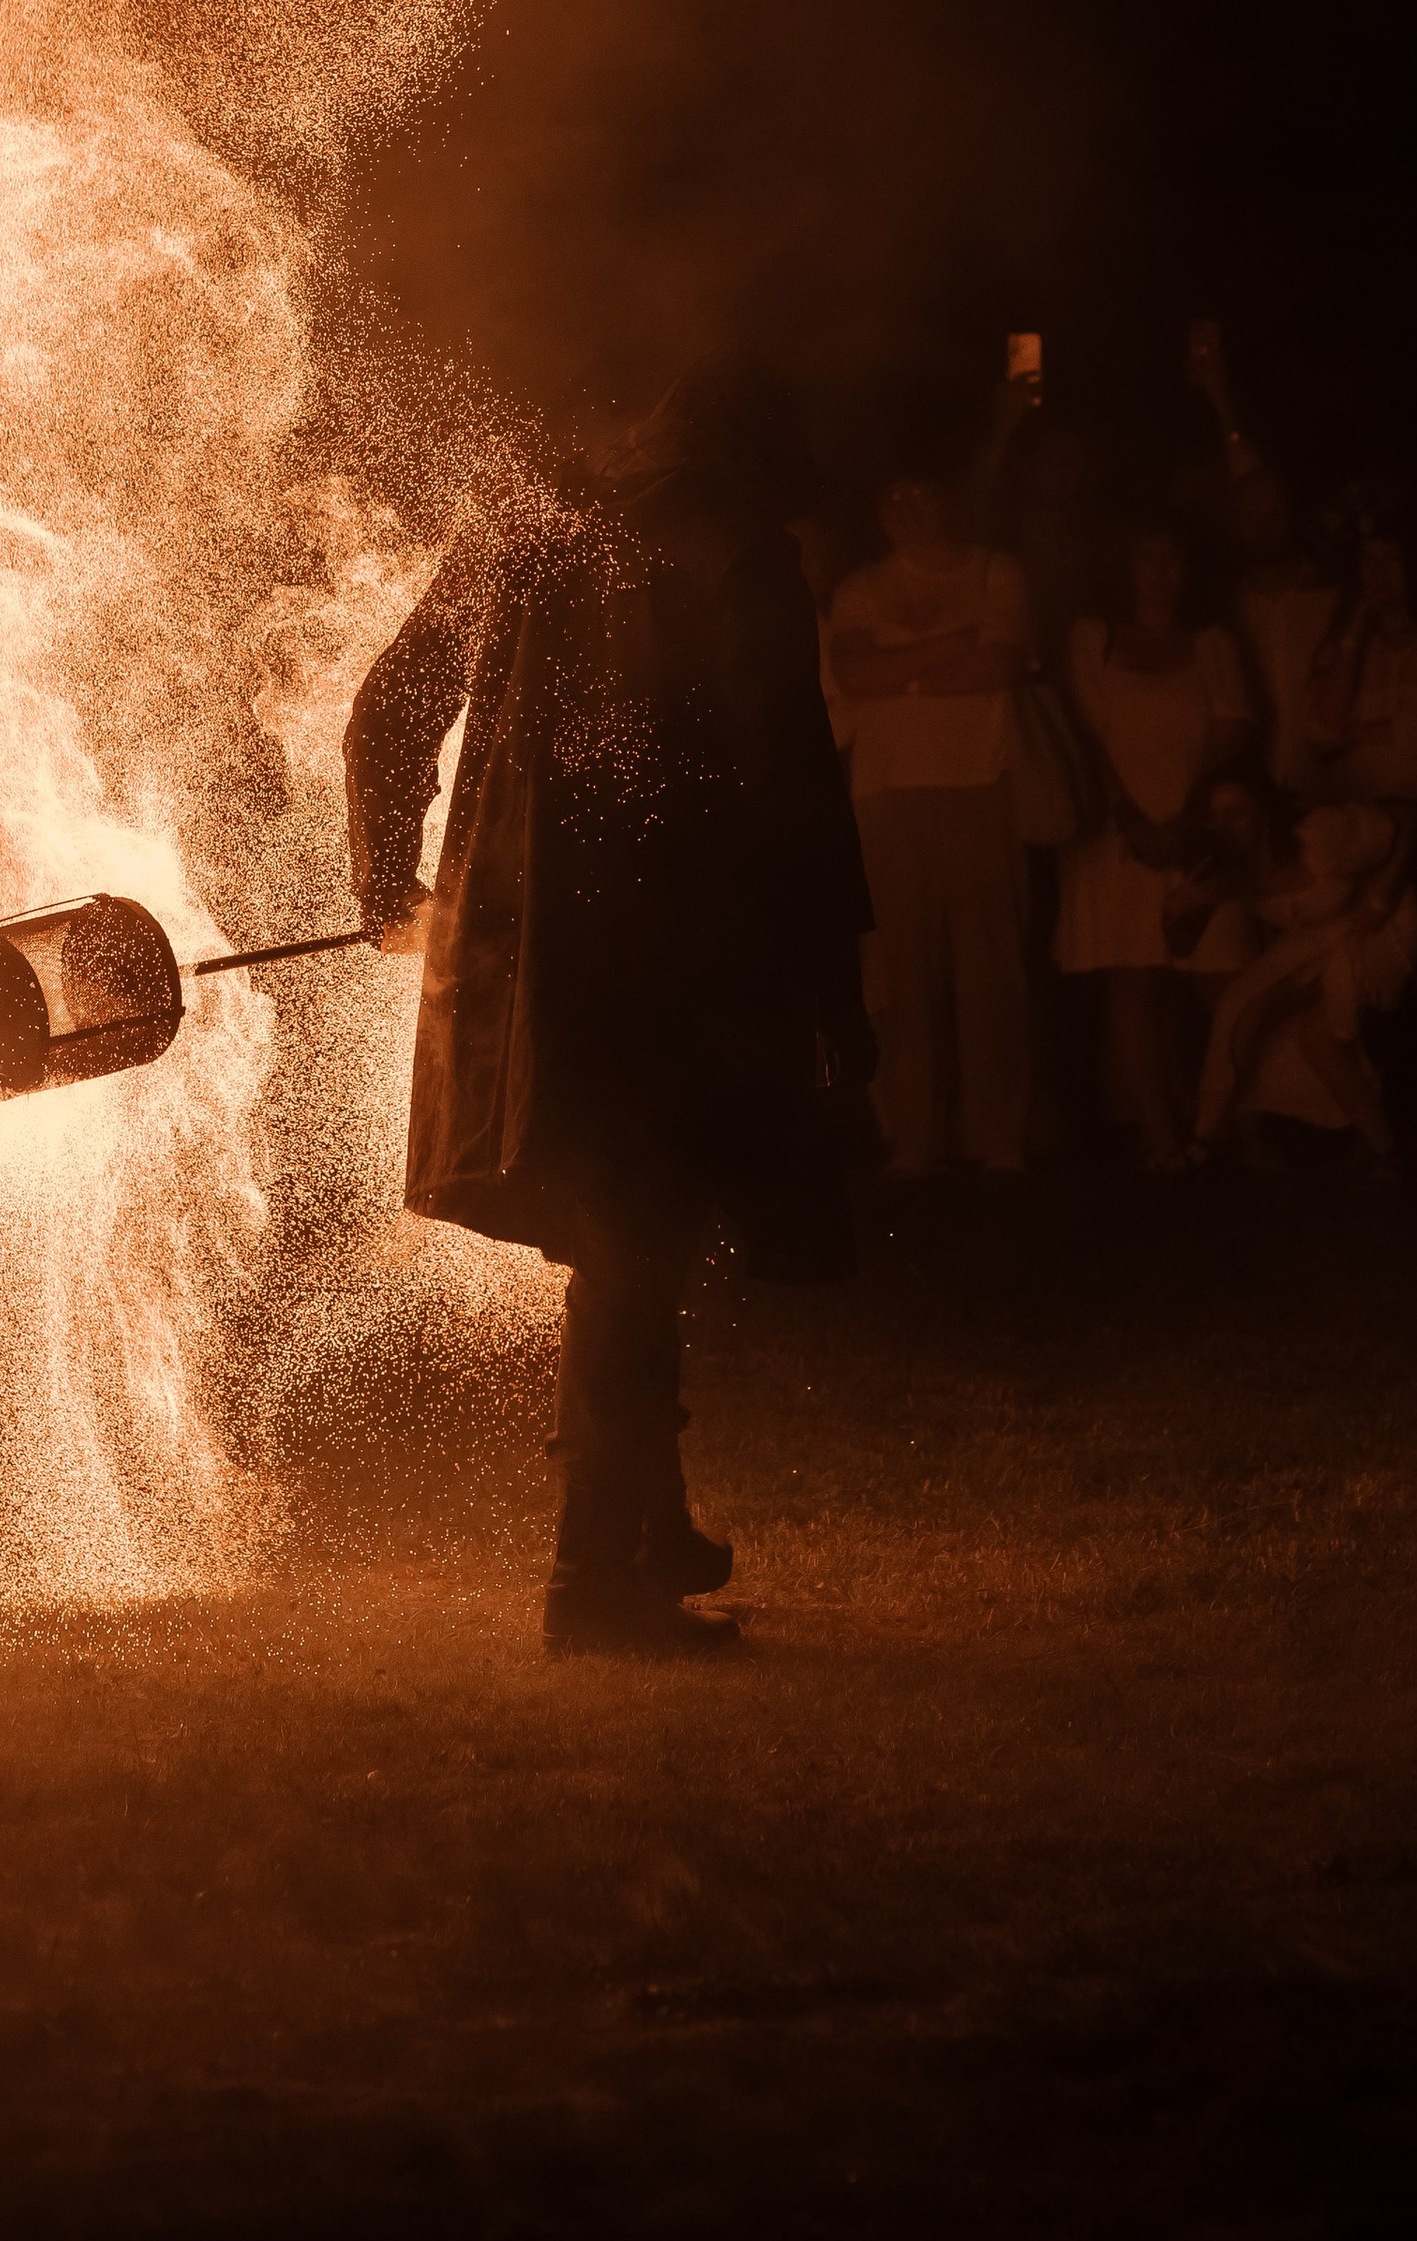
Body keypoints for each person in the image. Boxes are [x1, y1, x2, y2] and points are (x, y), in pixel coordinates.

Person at [343, 367, 875, 1657]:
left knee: (631, 1242)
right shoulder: (739, 553)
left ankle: (651, 1531)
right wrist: (834, 988)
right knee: (634, 1251)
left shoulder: (530, 520)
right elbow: (793, 784)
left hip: (539, 970)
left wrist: (385, 878)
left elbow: (387, 709)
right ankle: (594, 1585)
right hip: (676, 965)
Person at [825, 455, 1038, 1178]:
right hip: (888, 794)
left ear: (947, 499)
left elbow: (999, 665)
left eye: (921, 492)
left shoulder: (995, 573)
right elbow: (855, 675)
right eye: (894, 495)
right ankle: (914, 1139)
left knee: (990, 970)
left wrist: (900, 674)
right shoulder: (861, 588)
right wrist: (955, 645)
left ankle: (998, 1137)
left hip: (979, 783)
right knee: (905, 974)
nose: (907, 508)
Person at [1054, 526, 1255, 1170]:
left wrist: (1183, 826)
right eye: (1146, 554)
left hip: (1198, 831)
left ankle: (1234, 1128)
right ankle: (1161, 1136)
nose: (1159, 570)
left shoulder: (1213, 645)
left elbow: (1228, 741)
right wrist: (1133, 821)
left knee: (1220, 978)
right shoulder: (1095, 639)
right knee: (1134, 975)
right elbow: (1085, 738)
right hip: (1117, 834)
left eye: (1172, 556)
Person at [1183, 773, 1417, 1170]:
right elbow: (1180, 942)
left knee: (1319, 1037)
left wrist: (1381, 894)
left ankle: (1387, 1156)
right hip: (1322, 939)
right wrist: (1177, 909)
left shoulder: (1319, 836)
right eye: (1214, 815)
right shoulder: (1229, 871)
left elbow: (1405, 817)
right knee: (1243, 1008)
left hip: (1382, 926)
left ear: (1264, 814)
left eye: (1236, 812)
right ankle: (1206, 1139)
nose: (1224, 825)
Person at [1186, 325, 1339, 791]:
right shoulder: (1219, 610)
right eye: (1251, 519)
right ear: (1234, 523)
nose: (1264, 530)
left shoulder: (1333, 600)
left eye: (1275, 516)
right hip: (1250, 796)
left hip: (1332, 791)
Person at [1306, 517, 1417, 805]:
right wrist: (1352, 631)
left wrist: (1353, 733)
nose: (1379, 571)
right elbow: (1320, 730)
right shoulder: (1340, 648)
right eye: (1369, 559)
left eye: (1392, 559)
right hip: (1355, 813)